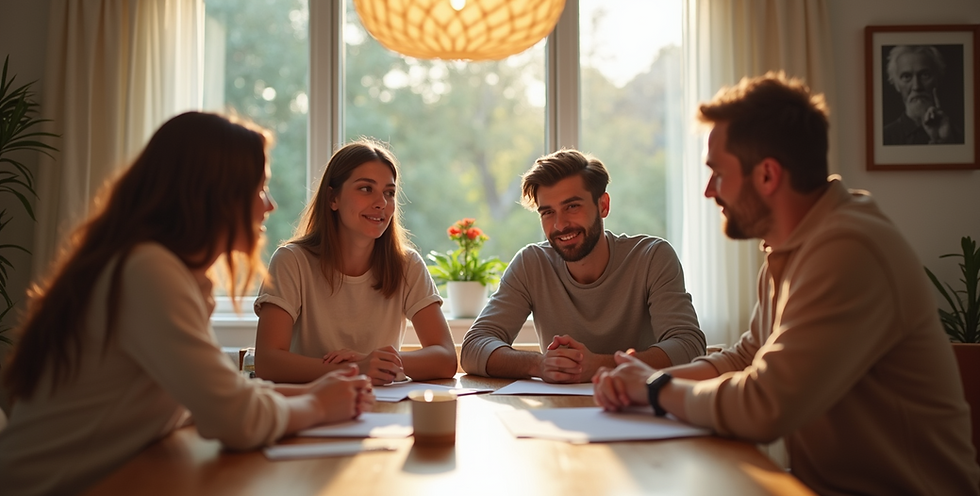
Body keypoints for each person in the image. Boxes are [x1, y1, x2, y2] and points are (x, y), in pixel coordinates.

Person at [593, 72, 980, 496]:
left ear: (767, 176)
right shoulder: (791, 248)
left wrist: (653, 389)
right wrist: (644, 378)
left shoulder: (848, 248)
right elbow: (745, 357)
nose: (708, 191)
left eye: (717, 173)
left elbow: (765, 405)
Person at [0, 112, 374, 496]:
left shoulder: (162, 269)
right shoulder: (146, 271)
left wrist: (320, 392)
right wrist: (319, 407)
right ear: (214, 193)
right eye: (259, 188)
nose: (270, 205)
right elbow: (233, 419)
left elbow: (208, 396)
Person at [460, 149, 706, 383]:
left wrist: (599, 365)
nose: (559, 225)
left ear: (603, 205)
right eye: (547, 212)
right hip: (560, 413)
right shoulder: (531, 264)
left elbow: (689, 346)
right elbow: (473, 347)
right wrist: (538, 364)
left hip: (638, 410)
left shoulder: (652, 257)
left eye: (572, 206)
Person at [253, 138, 457, 386]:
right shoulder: (291, 261)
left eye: (389, 193)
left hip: (382, 411)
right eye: (365, 189)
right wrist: (358, 368)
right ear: (333, 199)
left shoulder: (407, 265)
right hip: (310, 409)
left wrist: (380, 364)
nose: (381, 202)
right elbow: (268, 363)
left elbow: (446, 358)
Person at [882, 45, 963, 145]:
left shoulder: (959, 136)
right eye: (906, 76)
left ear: (937, 80)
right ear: (896, 85)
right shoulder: (884, 138)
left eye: (925, 75)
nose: (916, 87)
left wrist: (946, 142)